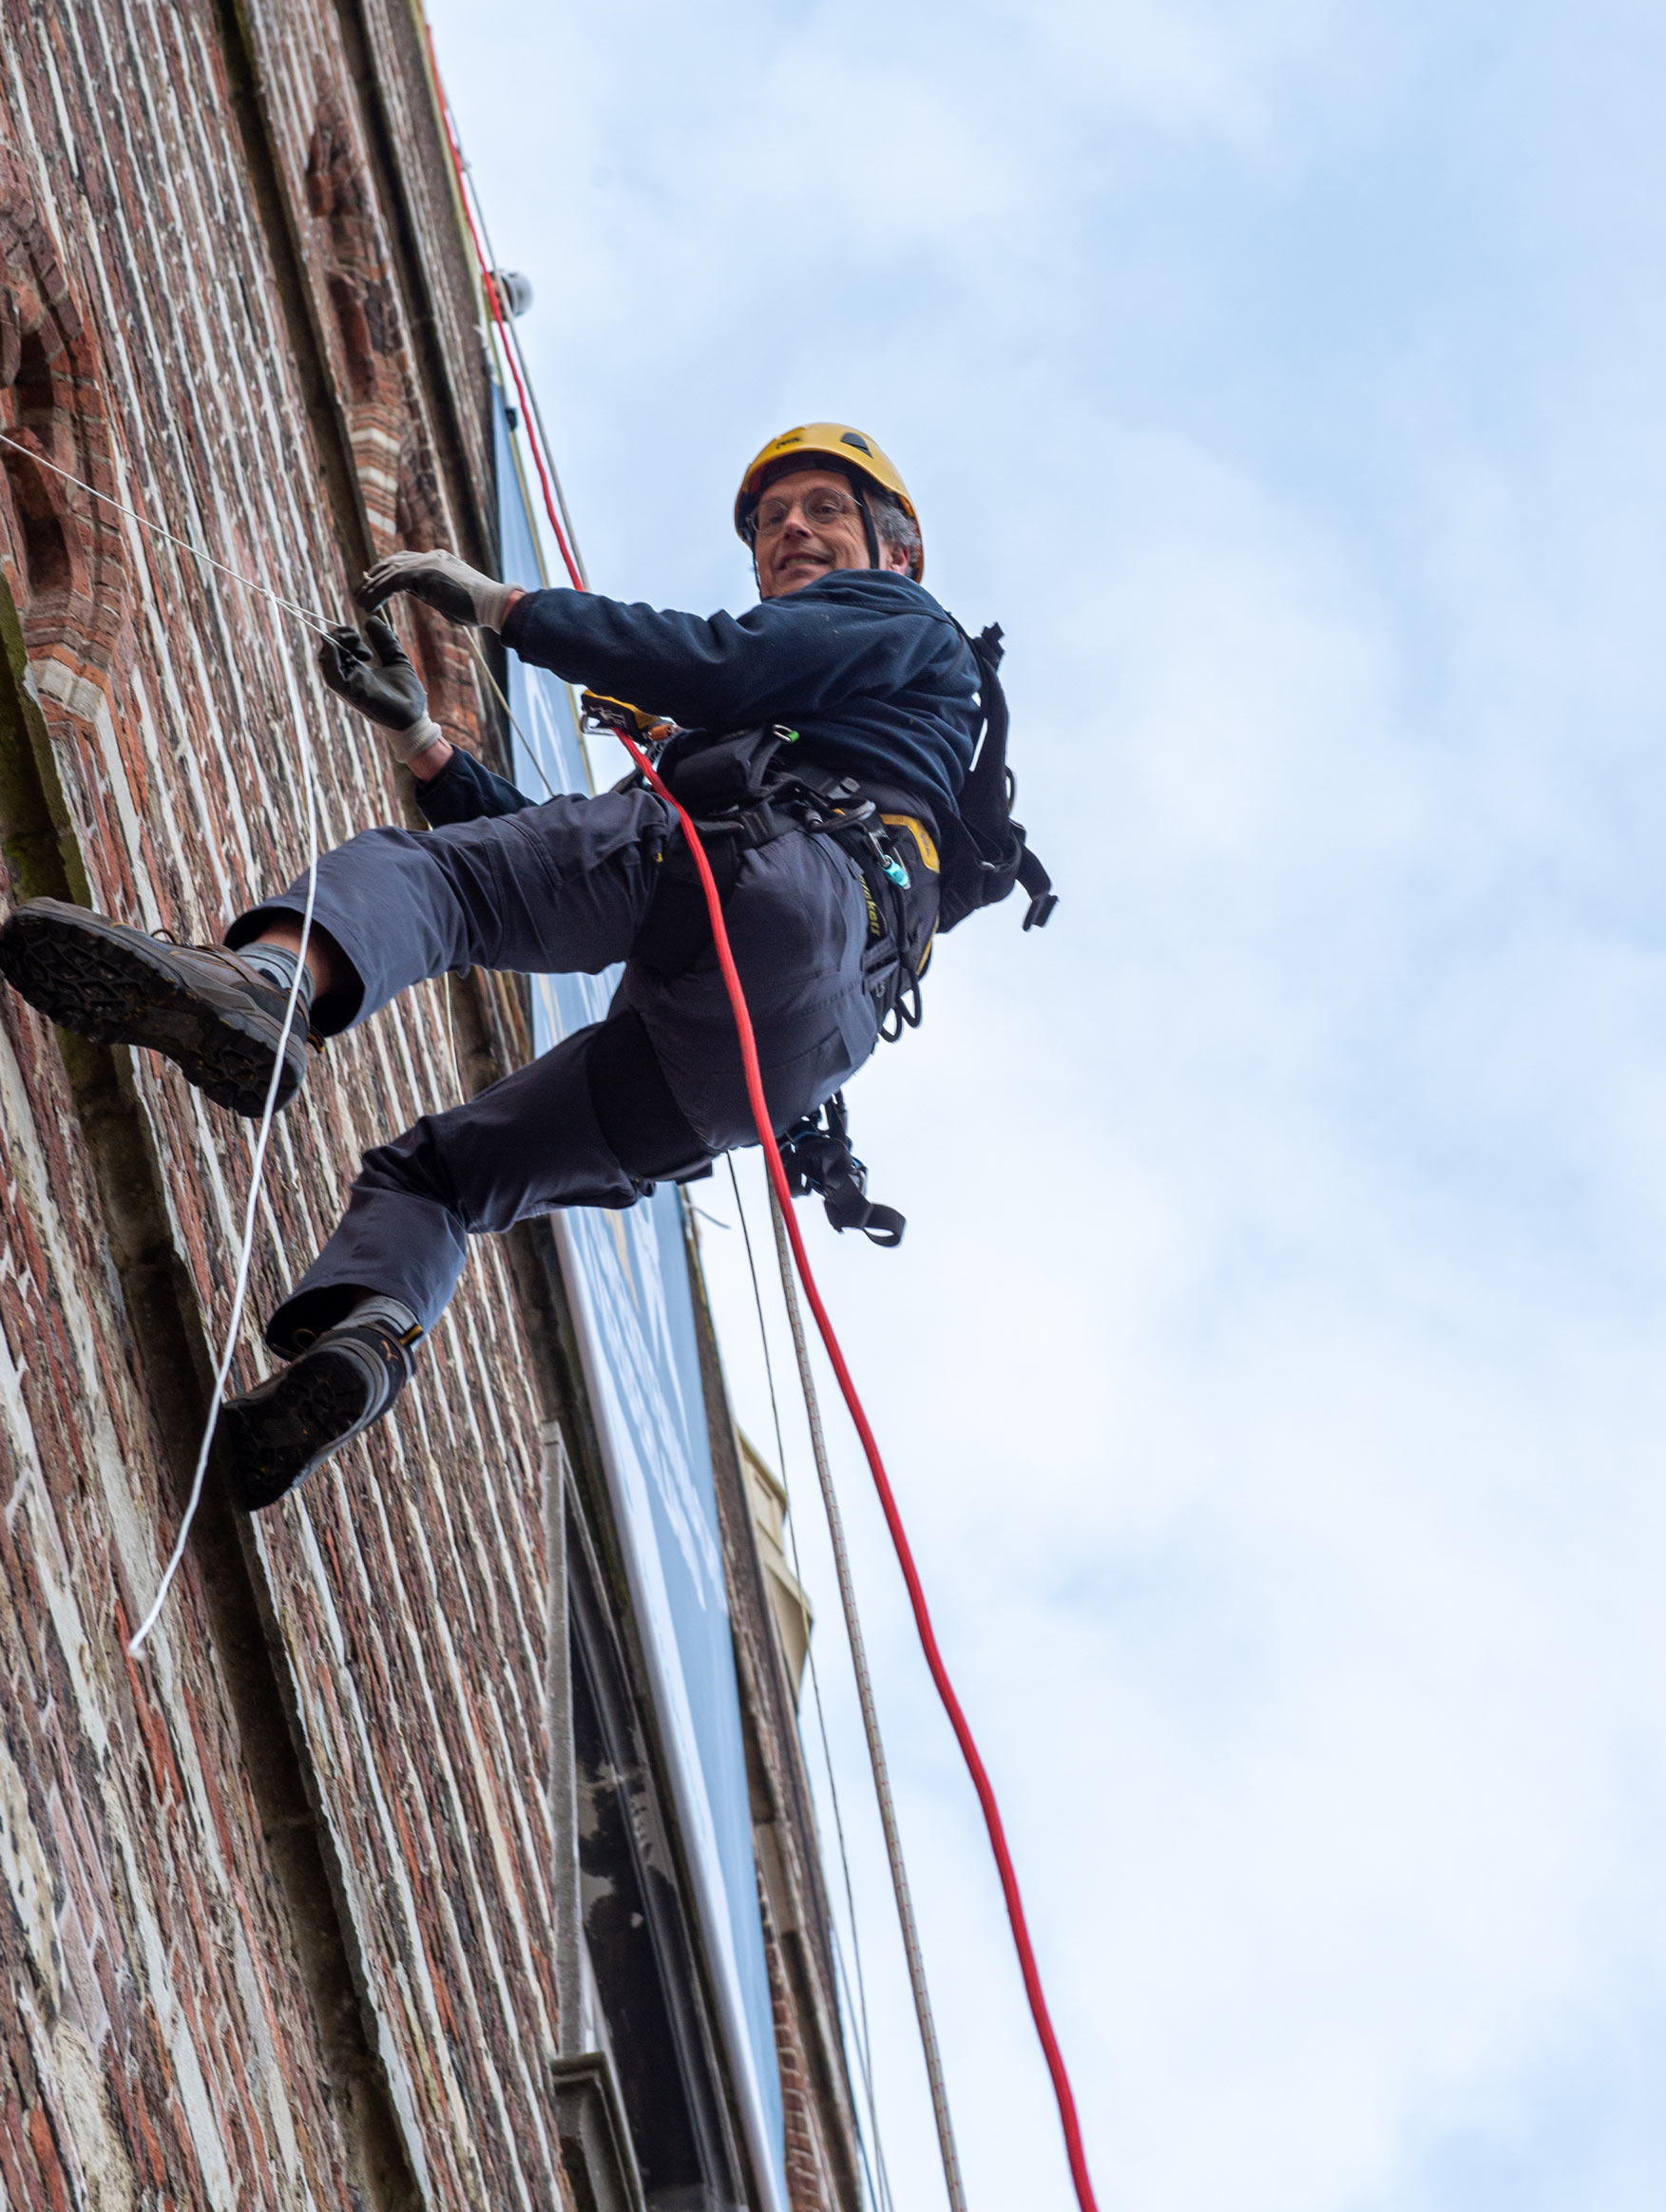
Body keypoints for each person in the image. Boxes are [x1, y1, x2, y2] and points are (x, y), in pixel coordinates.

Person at [0, 426, 981, 1510]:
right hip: (779, 1052)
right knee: (441, 1174)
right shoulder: (836, 737)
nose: (789, 528)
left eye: (823, 509)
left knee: (430, 884)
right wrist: (427, 740)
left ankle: (266, 989)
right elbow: (554, 862)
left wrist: (504, 607)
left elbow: (720, 664)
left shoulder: (901, 624)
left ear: (900, 552)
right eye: (769, 520)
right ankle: (366, 1340)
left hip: (768, 869)